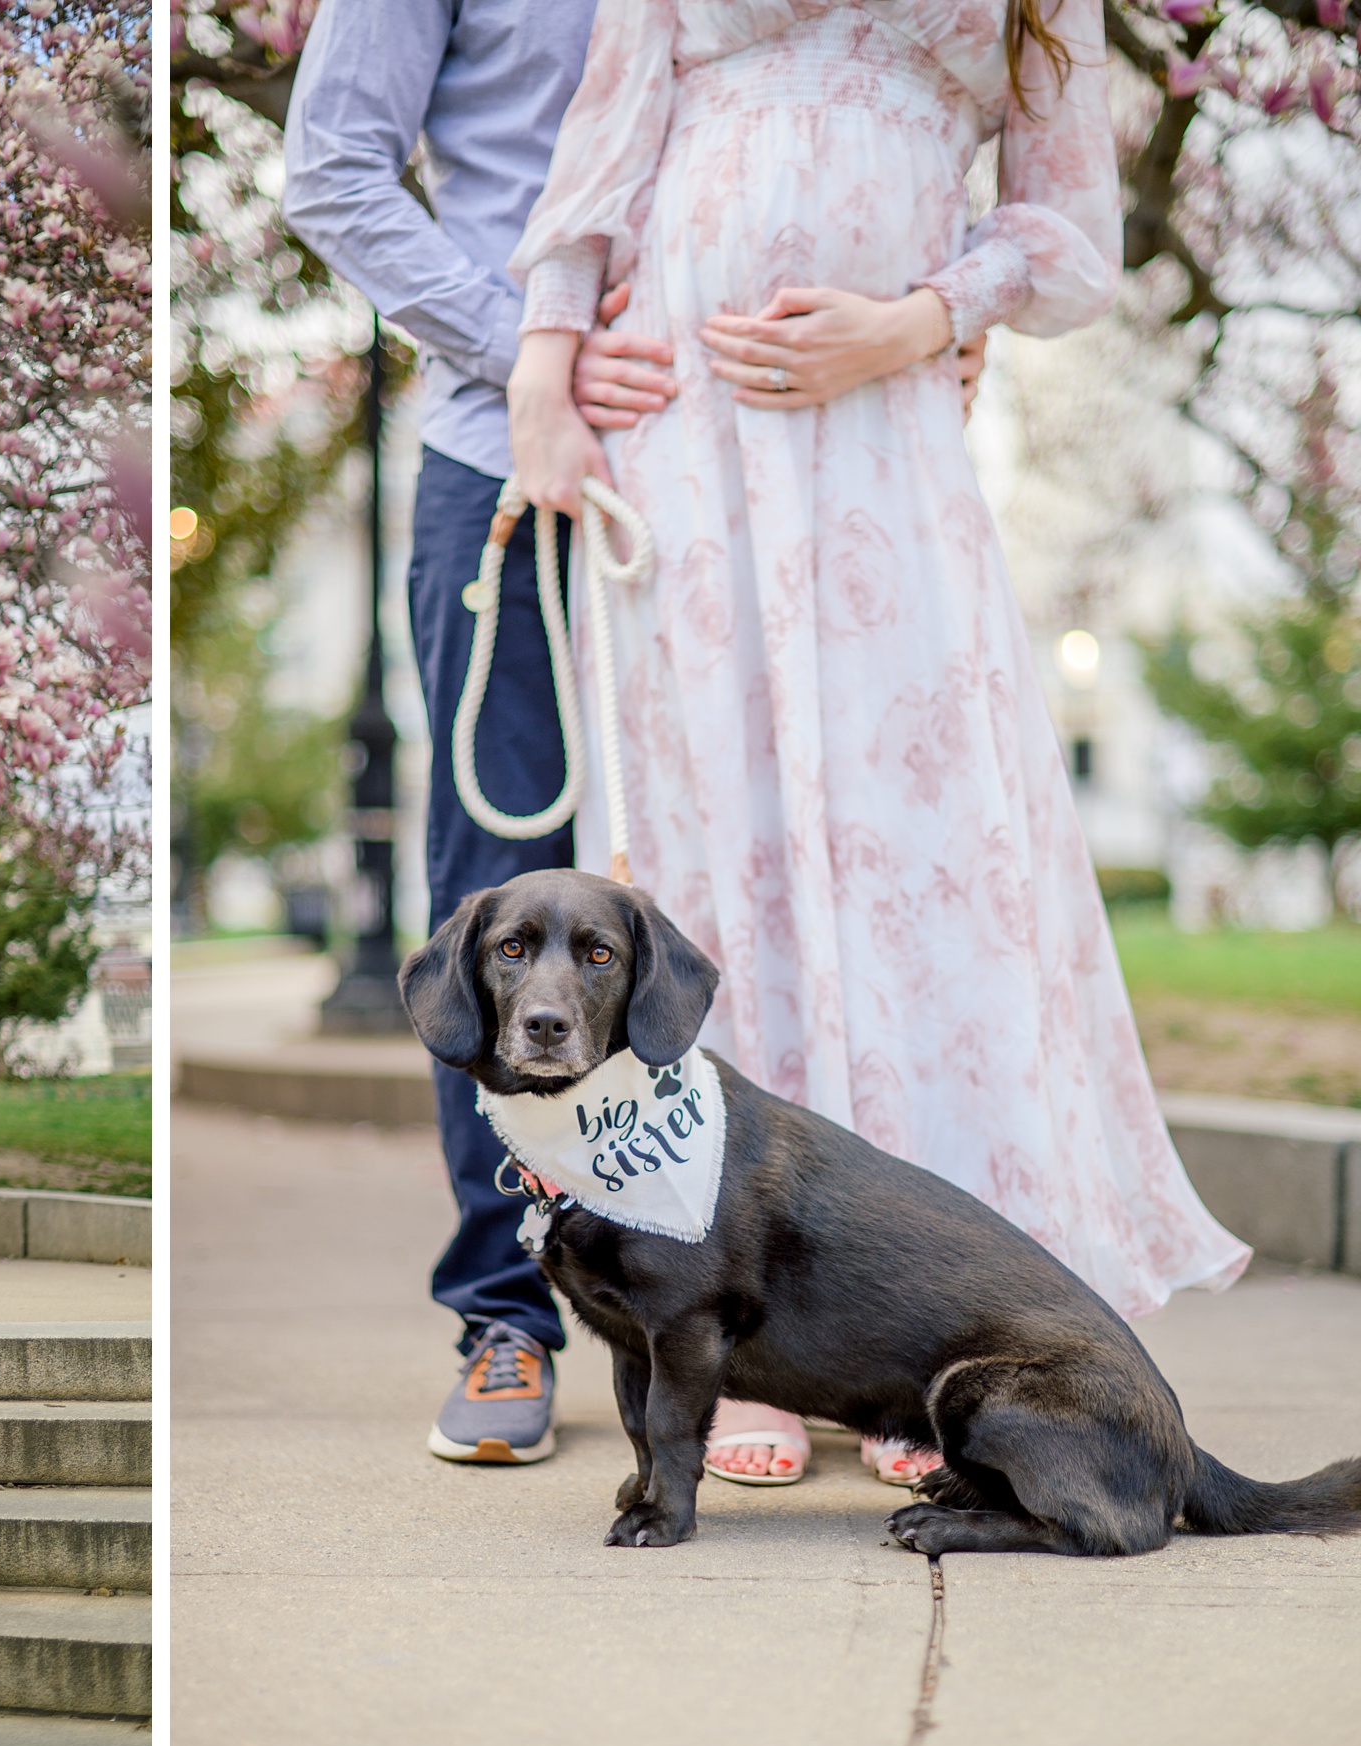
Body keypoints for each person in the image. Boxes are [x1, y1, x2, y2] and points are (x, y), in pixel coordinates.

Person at [504, 0, 1251, 1486]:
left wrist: (922, 321)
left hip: (887, 444)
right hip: (688, 437)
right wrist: (544, 378)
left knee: (925, 871)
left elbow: (1070, 235)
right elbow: (600, 152)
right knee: (722, 865)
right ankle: (735, 1336)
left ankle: (923, 1348)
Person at [280, 0, 989, 1466]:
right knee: (506, 885)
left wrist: (928, 321)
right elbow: (331, 169)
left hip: (749, 466)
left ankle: (765, 1311)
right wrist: (516, 350)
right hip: (514, 458)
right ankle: (506, 1315)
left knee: (779, 865)